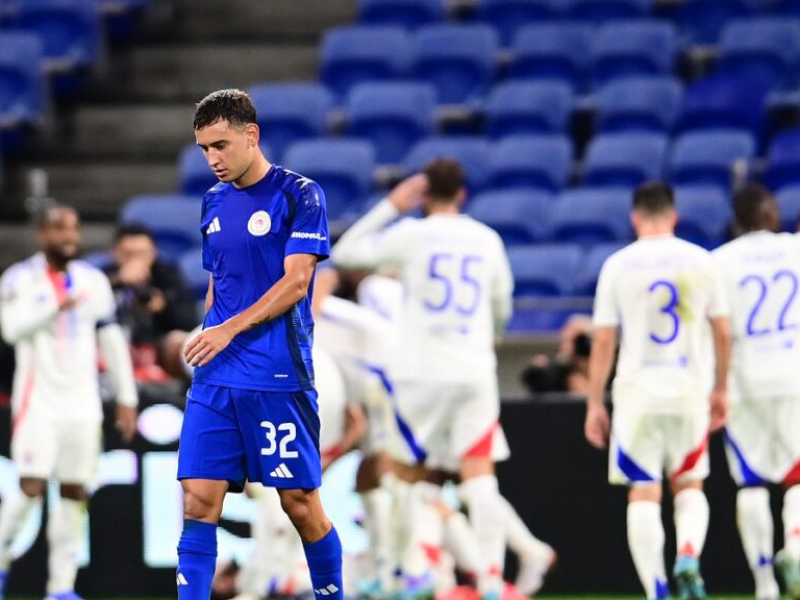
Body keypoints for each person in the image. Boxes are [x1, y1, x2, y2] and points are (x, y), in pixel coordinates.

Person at [176, 89, 342, 600]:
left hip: (277, 372)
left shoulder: (300, 195)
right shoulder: (212, 201)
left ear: (252, 135)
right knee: (197, 501)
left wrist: (228, 328)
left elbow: (296, 283)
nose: (212, 159)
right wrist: (210, 333)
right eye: (204, 149)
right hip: (216, 376)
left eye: (220, 145)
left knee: (299, 504)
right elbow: (219, 280)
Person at [333, 159, 521, 599]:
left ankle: (406, 573)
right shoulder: (487, 239)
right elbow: (502, 305)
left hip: (418, 373)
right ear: (463, 193)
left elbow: (345, 254)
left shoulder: (411, 234)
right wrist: (489, 338)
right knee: (480, 476)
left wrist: (391, 206)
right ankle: (491, 579)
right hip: (472, 371)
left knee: (405, 475)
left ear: (423, 194)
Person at [585, 181, 731, 600]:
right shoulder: (702, 261)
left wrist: (594, 402)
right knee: (689, 483)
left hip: (637, 393)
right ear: (674, 215)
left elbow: (603, 340)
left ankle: (657, 589)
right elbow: (723, 332)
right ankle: (687, 555)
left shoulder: (617, 264)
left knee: (643, 490)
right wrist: (721, 388)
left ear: (635, 218)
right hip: (689, 389)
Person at [0, 205, 139, 600]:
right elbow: (11, 330)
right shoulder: (19, 278)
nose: (69, 236)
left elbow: (111, 340)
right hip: (38, 402)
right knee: (30, 487)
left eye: (74, 228)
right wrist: (54, 307)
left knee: (76, 491)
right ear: (41, 234)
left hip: (83, 404)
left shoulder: (92, 281)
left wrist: (126, 396)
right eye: (59, 228)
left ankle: (61, 587)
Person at [712, 183, 800, 600]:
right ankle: (795, 549)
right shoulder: (794, 249)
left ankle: (764, 583)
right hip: (794, 375)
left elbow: (716, 329)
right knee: (797, 477)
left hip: (743, 381)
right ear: (771, 215)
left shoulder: (718, 262)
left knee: (750, 482)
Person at [103, 223, 199, 380]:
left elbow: (189, 322)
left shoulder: (168, 276)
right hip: (113, 347)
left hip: (158, 350)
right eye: (128, 254)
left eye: (141, 254)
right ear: (114, 253)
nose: (135, 261)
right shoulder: (101, 278)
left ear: (153, 253)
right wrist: (117, 282)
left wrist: (164, 306)